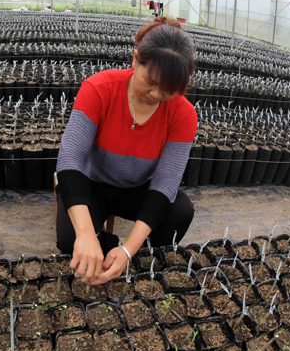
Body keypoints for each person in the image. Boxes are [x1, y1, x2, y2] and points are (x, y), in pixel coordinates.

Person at [55, 16, 198, 285]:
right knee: (70, 241)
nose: (156, 94)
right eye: (151, 81)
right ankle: (103, 242)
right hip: (93, 183)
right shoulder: (99, 88)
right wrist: (85, 234)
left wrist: (128, 250)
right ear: (135, 60)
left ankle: (132, 254)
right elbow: (71, 159)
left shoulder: (183, 114)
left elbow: (165, 183)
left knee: (180, 210)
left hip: (138, 188)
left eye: (167, 90)